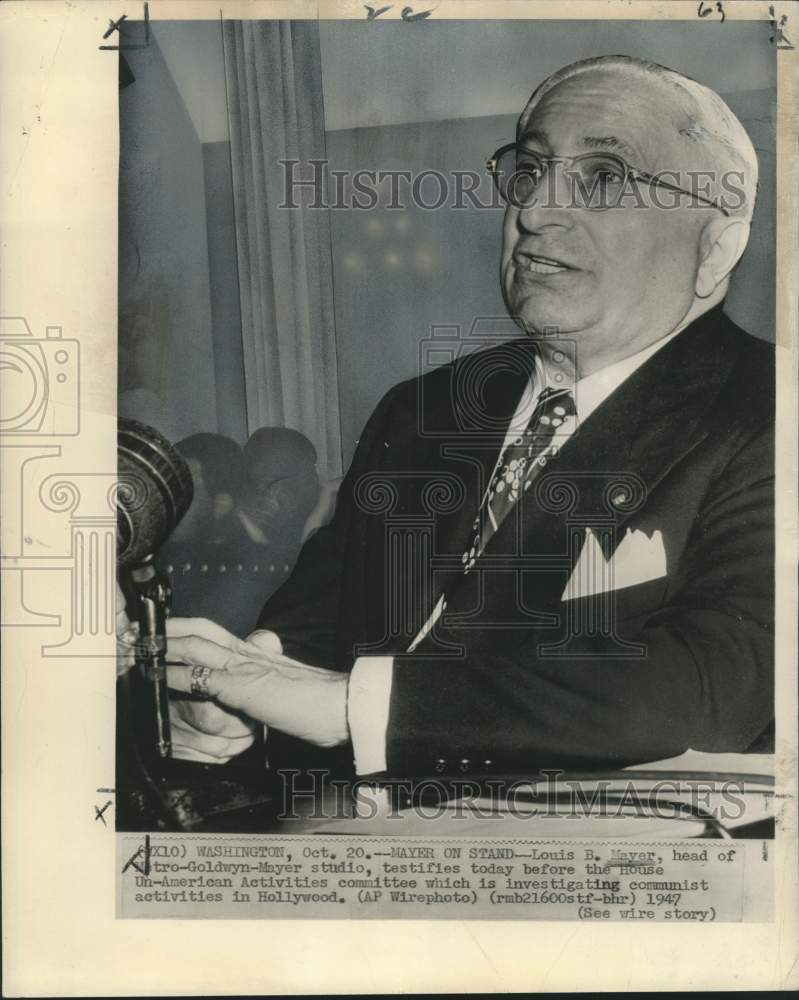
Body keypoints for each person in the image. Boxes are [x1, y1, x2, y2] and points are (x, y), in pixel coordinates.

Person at [156, 55, 774, 782]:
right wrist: (237, 690)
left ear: (715, 248)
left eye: (603, 179)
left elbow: (715, 688)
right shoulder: (425, 409)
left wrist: (355, 708)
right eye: (528, 171)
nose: (536, 211)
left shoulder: (770, 409)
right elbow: (320, 625)